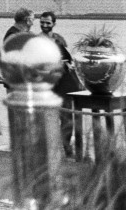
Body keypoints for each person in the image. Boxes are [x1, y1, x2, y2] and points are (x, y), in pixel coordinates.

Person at [39, 11, 83, 155]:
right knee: (48, 117)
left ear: (54, 24)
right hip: (49, 85)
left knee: (67, 118)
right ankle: (50, 148)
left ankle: (67, 147)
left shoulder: (58, 39)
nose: (44, 25)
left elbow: (68, 60)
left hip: (65, 85)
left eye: (48, 23)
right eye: (42, 22)